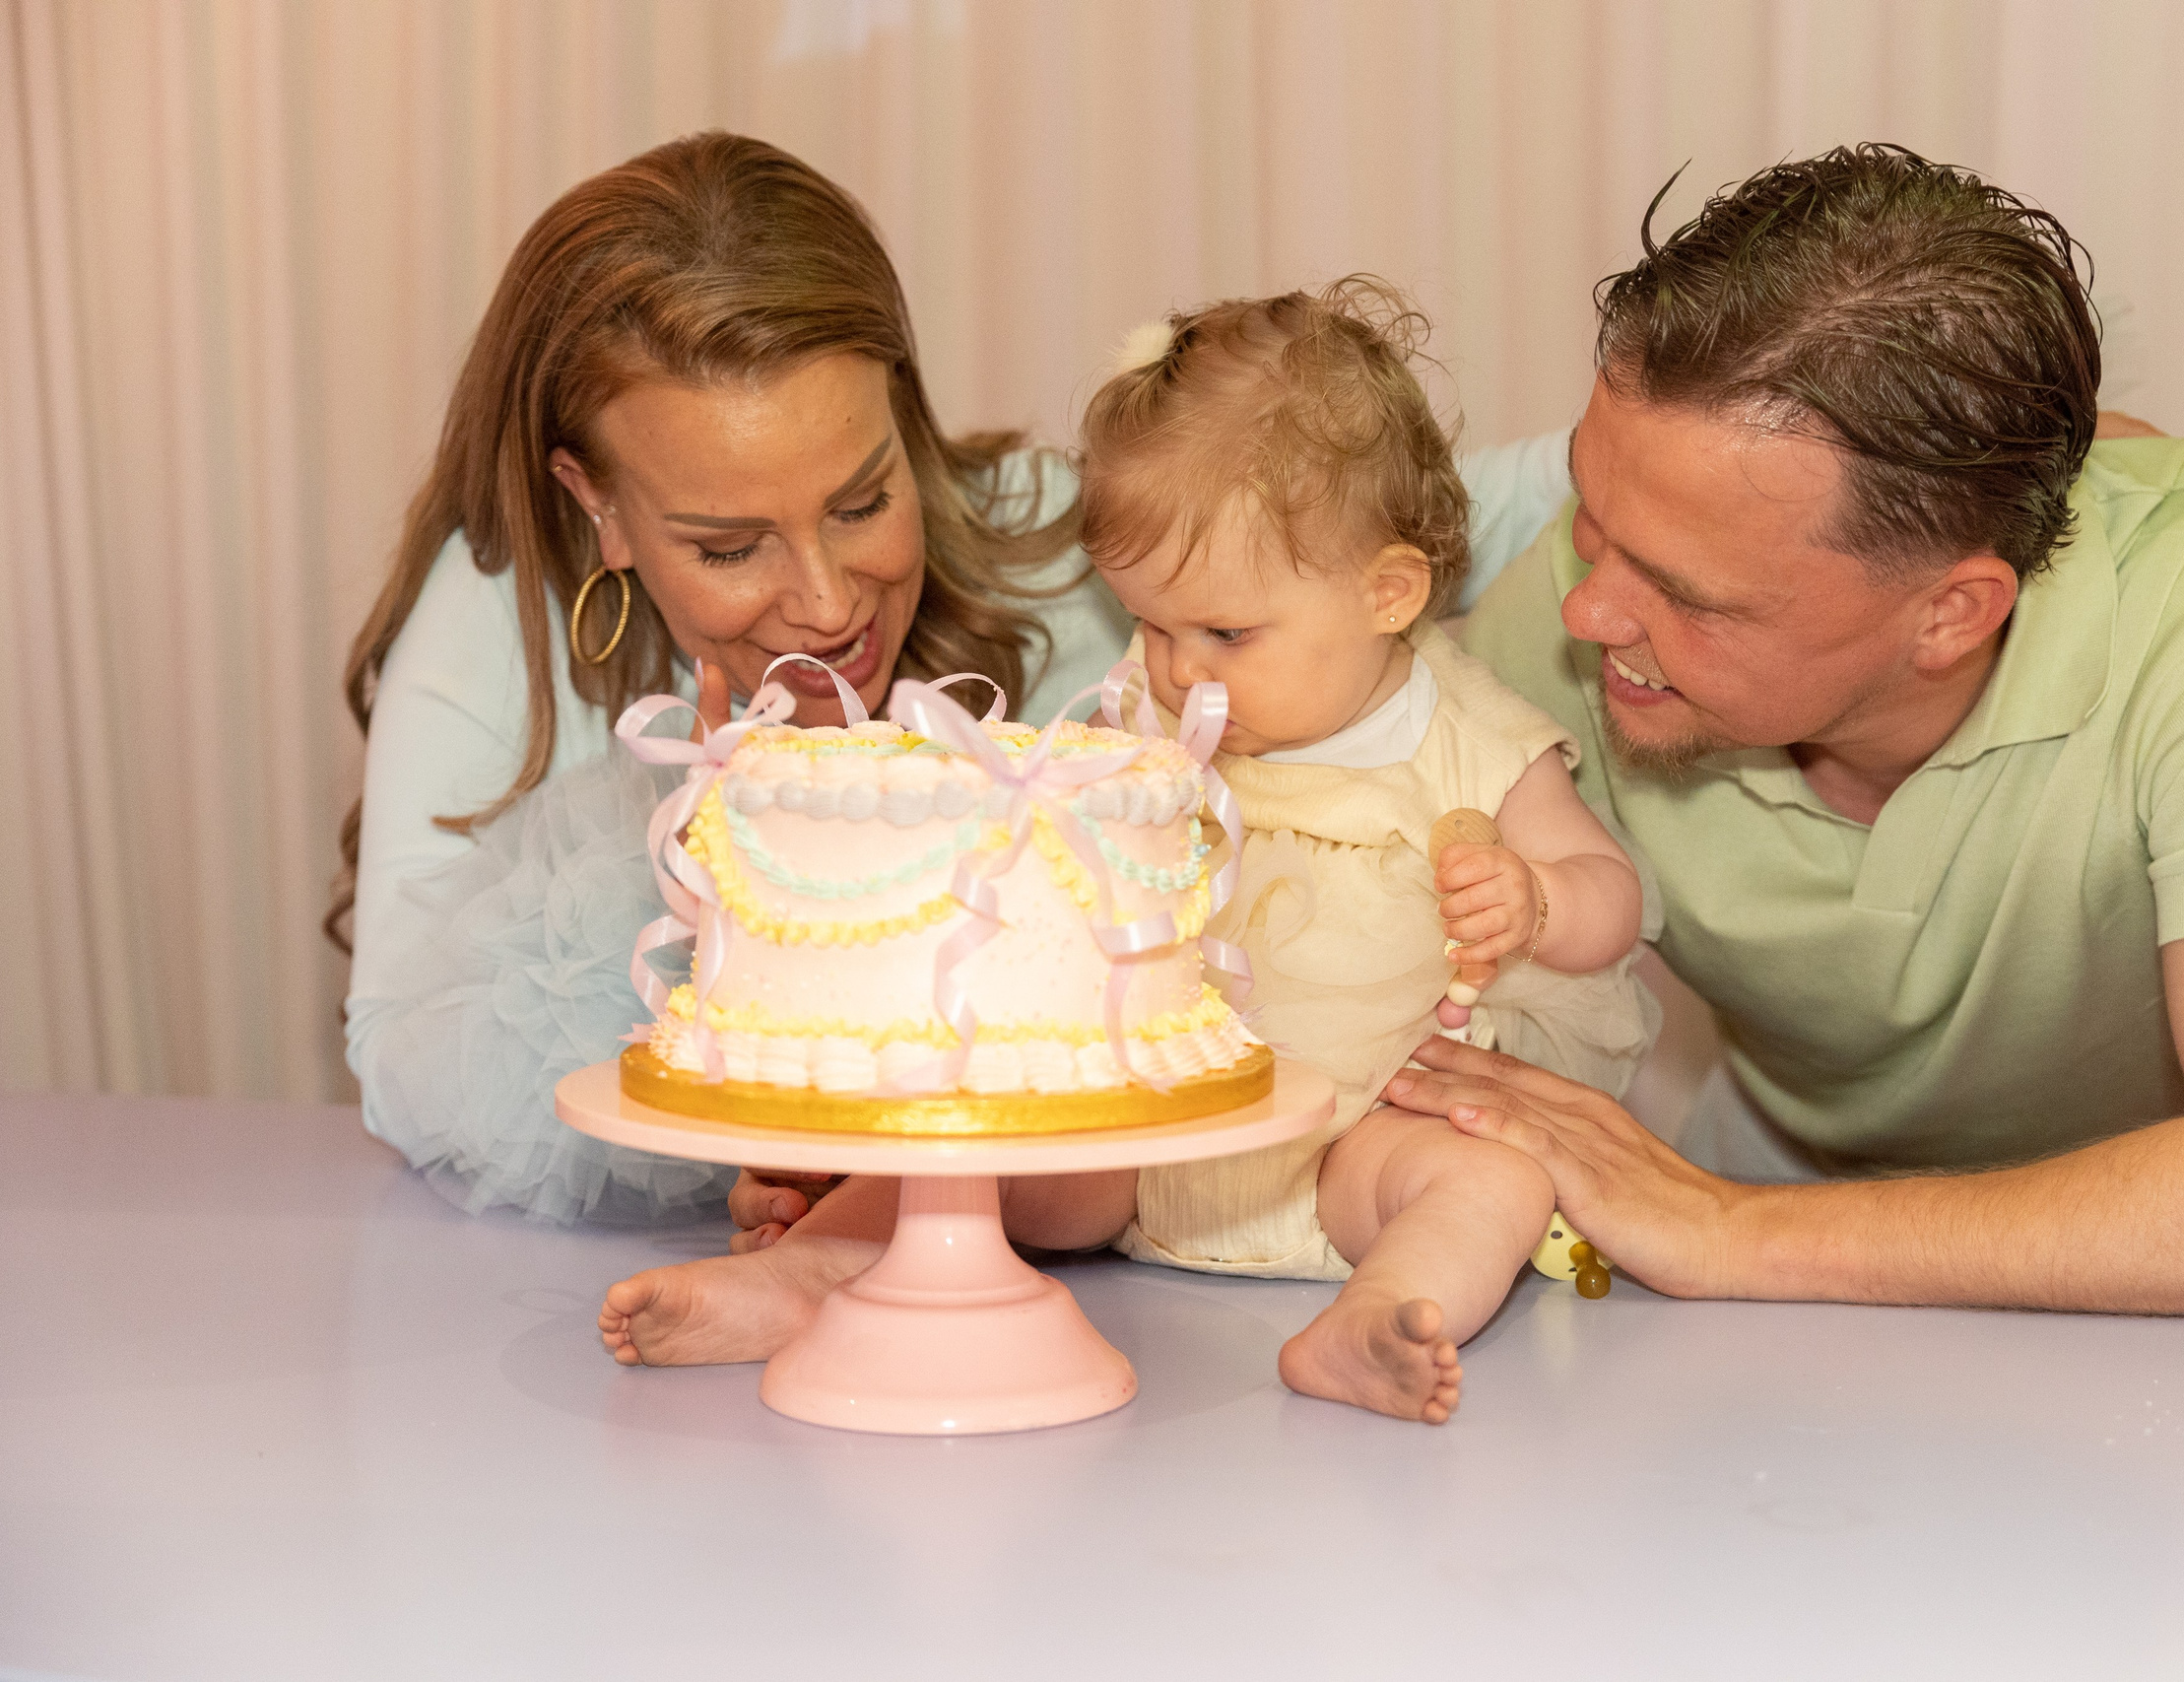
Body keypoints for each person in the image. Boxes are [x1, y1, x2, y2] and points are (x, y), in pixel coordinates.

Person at [338, 133, 1575, 1224]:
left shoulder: (1071, 551)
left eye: (864, 499)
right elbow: (402, 1057)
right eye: (727, 546)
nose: (826, 604)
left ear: (905, 421)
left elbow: (1495, 503)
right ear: (594, 502)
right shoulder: (498, 613)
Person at [1387, 145, 2184, 1319]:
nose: (1587, 609)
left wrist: (1724, 1226)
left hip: (2150, 1277)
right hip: (1759, 1220)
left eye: (1691, 597)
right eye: (1591, 512)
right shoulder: (1567, 609)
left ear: (1951, 614)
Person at [598, 282, 1653, 1422]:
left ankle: (1381, 1317)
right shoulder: (1139, 731)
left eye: (1225, 633)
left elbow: (1615, 901)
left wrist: (1537, 902)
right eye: (1152, 626)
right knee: (972, 1151)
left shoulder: (1468, 737)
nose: (1179, 671)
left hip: (1366, 1136)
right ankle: (797, 1280)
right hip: (1148, 1132)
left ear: (1387, 592)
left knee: (1490, 1178)